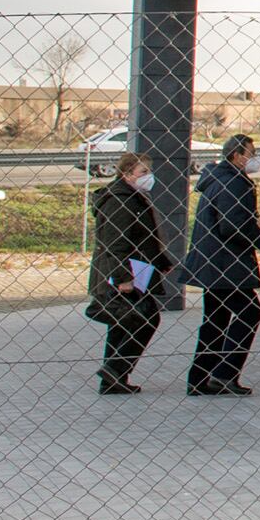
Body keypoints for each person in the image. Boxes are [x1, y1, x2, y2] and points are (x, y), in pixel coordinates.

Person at [182, 133, 260, 397]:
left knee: (215, 319)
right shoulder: (235, 183)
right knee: (249, 312)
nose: (254, 159)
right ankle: (224, 373)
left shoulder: (216, 179)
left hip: (212, 262)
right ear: (237, 156)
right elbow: (233, 224)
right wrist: (258, 237)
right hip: (227, 264)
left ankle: (200, 377)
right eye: (251, 154)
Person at [85, 152, 175, 395]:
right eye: (142, 172)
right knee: (145, 317)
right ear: (126, 174)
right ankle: (115, 370)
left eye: (148, 171)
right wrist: (123, 278)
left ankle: (114, 378)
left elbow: (144, 237)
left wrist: (161, 260)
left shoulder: (134, 197)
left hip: (137, 269)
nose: (149, 177)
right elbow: (116, 243)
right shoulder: (120, 201)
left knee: (123, 323)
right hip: (123, 273)